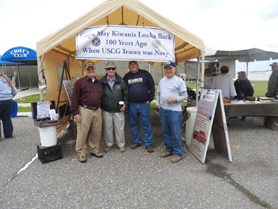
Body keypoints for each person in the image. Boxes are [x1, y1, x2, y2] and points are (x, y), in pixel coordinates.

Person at [70, 61, 103, 163]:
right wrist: (75, 112)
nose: (90, 70)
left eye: (92, 68)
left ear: (94, 69)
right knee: (82, 132)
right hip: (85, 110)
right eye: (88, 69)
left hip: (97, 110)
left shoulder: (98, 83)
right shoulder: (79, 83)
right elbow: (74, 98)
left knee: (96, 132)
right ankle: (81, 153)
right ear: (85, 70)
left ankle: (94, 150)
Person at [156, 62, 188, 163]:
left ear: (175, 69)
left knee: (176, 132)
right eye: (166, 69)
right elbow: (158, 93)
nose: (168, 70)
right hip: (163, 109)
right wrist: (158, 103)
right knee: (165, 131)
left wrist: (174, 100)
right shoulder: (162, 80)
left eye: (170, 68)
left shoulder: (179, 81)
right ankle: (169, 149)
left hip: (174, 111)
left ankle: (178, 153)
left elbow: (185, 96)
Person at [123, 61, 155, 153]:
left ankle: (148, 143)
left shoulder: (145, 74)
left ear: (137, 65)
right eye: (131, 65)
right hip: (132, 104)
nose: (133, 66)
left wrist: (149, 99)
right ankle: (136, 141)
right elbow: (124, 90)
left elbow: (152, 87)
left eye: (134, 64)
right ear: (129, 66)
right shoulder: (127, 77)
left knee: (146, 123)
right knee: (133, 124)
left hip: (144, 103)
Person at [100, 61, 128, 153]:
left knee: (119, 127)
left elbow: (126, 94)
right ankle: (109, 144)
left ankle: (121, 144)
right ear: (106, 70)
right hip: (106, 109)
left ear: (115, 70)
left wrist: (125, 103)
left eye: (113, 69)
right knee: (108, 128)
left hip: (118, 109)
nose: (111, 70)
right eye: (109, 69)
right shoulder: (101, 82)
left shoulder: (121, 81)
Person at [0, 70, 17, 139]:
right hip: (8, 101)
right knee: (7, 119)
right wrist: (9, 97)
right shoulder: (7, 80)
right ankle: (9, 135)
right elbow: (15, 91)